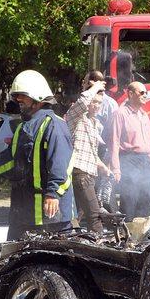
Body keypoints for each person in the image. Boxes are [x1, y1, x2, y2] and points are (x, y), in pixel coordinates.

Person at [0, 70, 75, 240]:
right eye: (16, 96)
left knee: (49, 264)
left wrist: (53, 194)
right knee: (12, 262)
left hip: (50, 218)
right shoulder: (23, 127)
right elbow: (11, 162)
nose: (17, 100)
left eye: (22, 96)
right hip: (23, 215)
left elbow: (62, 166)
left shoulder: (54, 125)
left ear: (38, 98)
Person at [66, 79, 110, 233]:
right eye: (94, 102)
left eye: (99, 103)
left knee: (76, 218)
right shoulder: (75, 117)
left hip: (89, 174)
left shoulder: (95, 123)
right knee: (95, 217)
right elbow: (83, 101)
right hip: (79, 173)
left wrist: (103, 166)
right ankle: (99, 248)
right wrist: (96, 86)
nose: (96, 106)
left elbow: (91, 152)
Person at [108, 82, 150, 219]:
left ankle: (141, 235)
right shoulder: (120, 114)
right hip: (129, 159)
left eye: (146, 93)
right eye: (142, 92)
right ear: (130, 94)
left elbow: (149, 137)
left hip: (145, 160)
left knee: (146, 198)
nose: (145, 95)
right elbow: (114, 142)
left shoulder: (144, 115)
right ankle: (127, 234)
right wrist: (116, 168)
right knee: (129, 199)